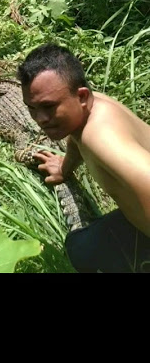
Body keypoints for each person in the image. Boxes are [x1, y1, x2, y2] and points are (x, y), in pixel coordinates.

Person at [18, 42, 150, 273]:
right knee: (81, 246)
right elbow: (77, 138)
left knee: (80, 250)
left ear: (81, 96)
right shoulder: (89, 108)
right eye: (31, 108)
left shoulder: (101, 138)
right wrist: (64, 168)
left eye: (48, 107)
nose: (40, 118)